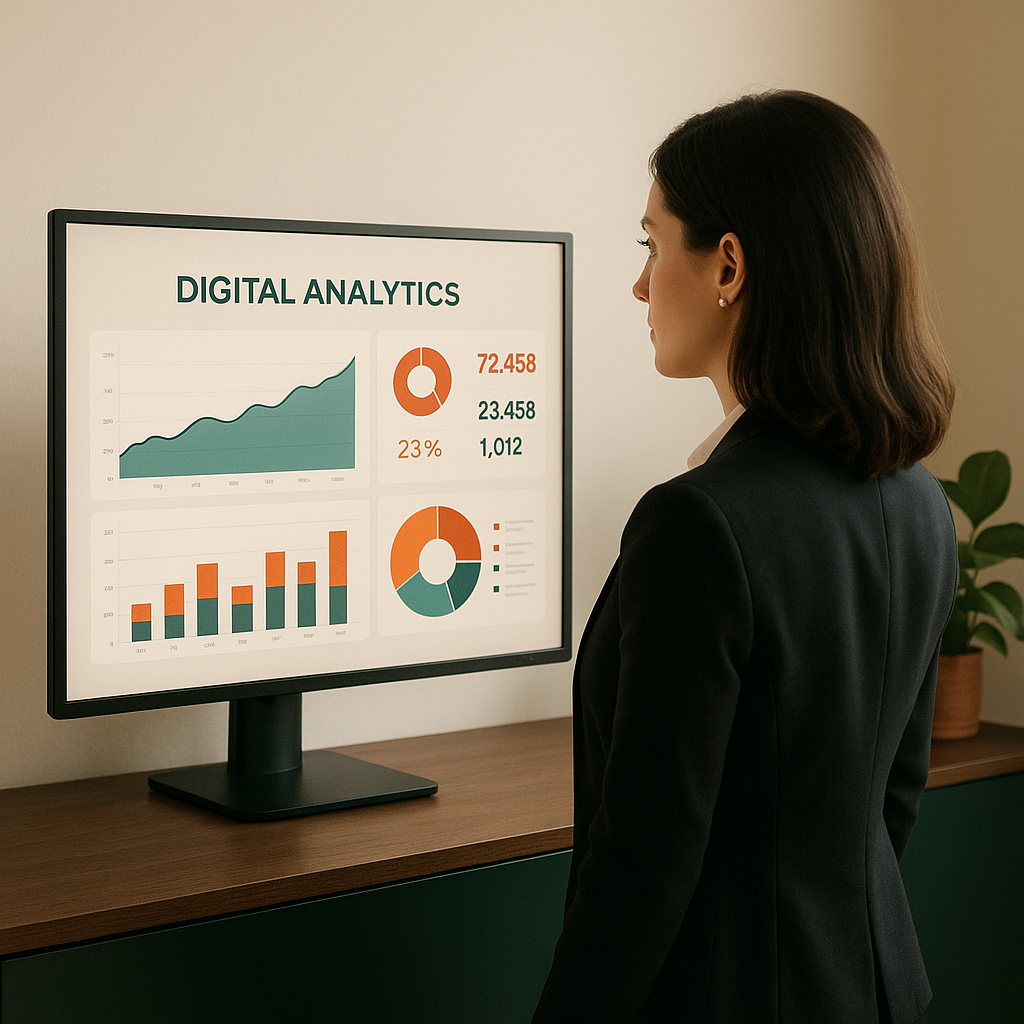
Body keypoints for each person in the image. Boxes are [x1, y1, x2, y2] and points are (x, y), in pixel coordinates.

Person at [532, 91, 957, 1024]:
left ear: (728, 264)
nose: (640, 287)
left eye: (651, 243)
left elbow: (643, 869)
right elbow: (891, 801)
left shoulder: (698, 526)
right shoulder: (923, 504)